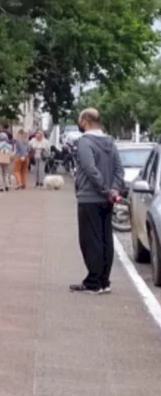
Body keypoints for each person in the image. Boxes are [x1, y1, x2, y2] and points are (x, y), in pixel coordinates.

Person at [71, 108, 125, 294]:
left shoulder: (85, 142)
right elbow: (119, 168)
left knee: (89, 240)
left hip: (89, 197)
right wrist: (114, 190)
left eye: (80, 121)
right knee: (105, 239)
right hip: (107, 199)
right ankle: (104, 281)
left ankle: (93, 282)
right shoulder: (110, 142)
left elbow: (89, 169)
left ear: (85, 121)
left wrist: (104, 189)